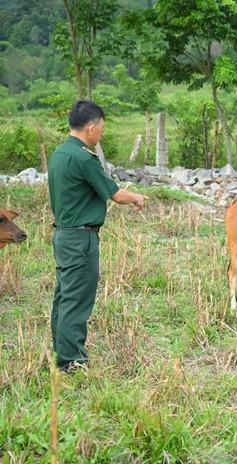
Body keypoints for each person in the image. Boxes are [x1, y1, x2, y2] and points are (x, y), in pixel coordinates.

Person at [48, 100, 148, 372]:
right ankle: (71, 361)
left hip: (63, 235)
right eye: (101, 128)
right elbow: (115, 194)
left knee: (64, 295)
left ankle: (61, 349)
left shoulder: (59, 154)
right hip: (81, 240)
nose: (100, 134)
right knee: (77, 299)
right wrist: (137, 196)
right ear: (91, 128)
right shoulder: (83, 157)